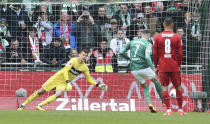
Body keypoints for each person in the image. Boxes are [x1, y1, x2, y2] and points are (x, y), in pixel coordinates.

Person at [17, 49, 108, 111]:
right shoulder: (73, 60)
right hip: (58, 78)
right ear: (79, 54)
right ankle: (23, 105)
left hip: (64, 82)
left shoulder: (84, 67)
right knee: (41, 91)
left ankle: (39, 105)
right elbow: (65, 70)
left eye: (86, 55)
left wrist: (98, 85)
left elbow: (89, 78)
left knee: (59, 94)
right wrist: (68, 81)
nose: (84, 57)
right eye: (83, 55)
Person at [120, 29, 165, 113]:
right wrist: (153, 68)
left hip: (133, 70)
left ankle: (150, 105)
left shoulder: (132, 42)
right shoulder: (148, 44)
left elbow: (121, 52)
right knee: (156, 81)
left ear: (141, 35)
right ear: (148, 37)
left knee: (145, 86)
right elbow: (147, 57)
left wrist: (129, 59)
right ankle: (163, 101)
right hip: (144, 68)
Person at [153, 17, 184, 116]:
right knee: (178, 87)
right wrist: (179, 64)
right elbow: (180, 53)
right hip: (174, 65)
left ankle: (169, 110)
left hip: (163, 65)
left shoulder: (157, 37)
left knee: (165, 88)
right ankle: (180, 110)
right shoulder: (177, 37)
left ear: (163, 24)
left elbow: (154, 53)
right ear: (173, 25)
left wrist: (156, 65)